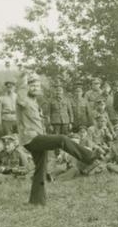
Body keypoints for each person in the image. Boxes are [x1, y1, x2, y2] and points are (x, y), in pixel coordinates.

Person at [15, 69, 101, 206]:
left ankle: (37, 201)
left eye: (37, 86)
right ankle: (89, 157)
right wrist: (26, 76)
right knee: (62, 139)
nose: (35, 88)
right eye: (32, 85)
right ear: (27, 86)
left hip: (38, 136)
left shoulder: (34, 101)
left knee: (41, 169)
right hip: (30, 139)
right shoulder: (23, 98)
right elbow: (20, 91)